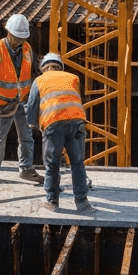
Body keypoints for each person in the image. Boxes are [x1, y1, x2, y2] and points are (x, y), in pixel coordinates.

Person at [0, 14, 43, 185]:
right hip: (3, 102)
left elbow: (32, 73)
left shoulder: (27, 48)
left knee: (27, 136)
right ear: (9, 33)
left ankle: (26, 168)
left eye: (22, 38)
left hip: (23, 101)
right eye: (17, 38)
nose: (19, 41)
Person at [25, 53, 92, 212]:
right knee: (77, 163)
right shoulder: (73, 78)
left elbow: (32, 106)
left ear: (44, 68)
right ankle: (82, 203)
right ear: (60, 66)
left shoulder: (39, 80)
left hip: (53, 122)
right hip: (77, 122)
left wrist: (31, 124)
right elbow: (74, 99)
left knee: (52, 164)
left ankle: (52, 201)